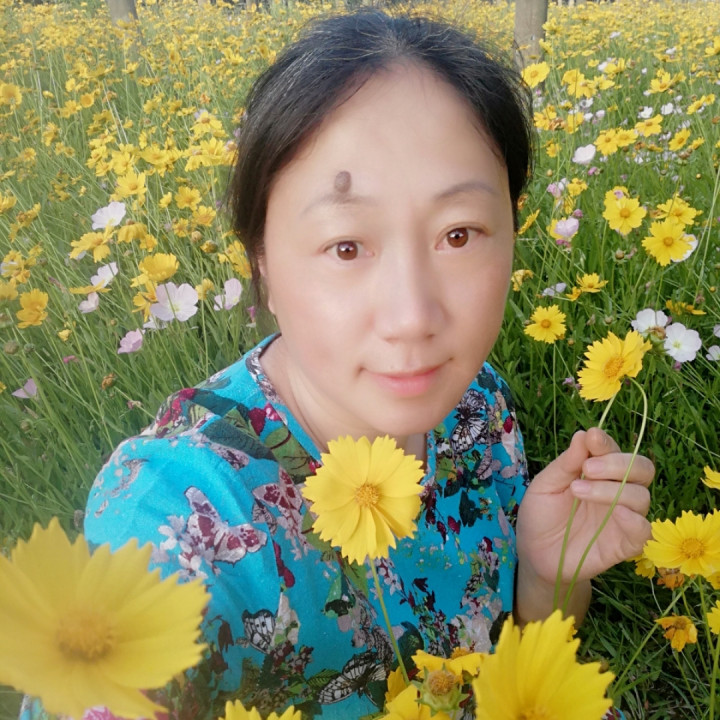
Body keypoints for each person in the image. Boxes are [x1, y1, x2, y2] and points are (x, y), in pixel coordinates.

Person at [23, 9, 653, 720]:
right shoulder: (182, 519)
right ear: (261, 260)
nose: (412, 316)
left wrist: (545, 571)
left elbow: (516, 664)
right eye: (347, 246)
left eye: (458, 234)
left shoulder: (480, 411)